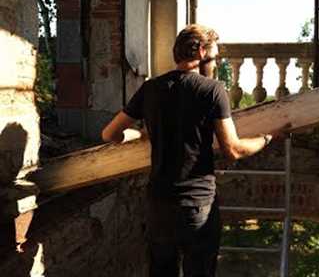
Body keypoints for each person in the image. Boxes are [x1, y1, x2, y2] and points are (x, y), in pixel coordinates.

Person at [101, 24, 284, 277]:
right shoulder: (212, 90)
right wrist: (267, 138)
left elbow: (109, 134)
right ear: (200, 52)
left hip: (158, 205)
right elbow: (233, 149)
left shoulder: (150, 88)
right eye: (214, 58)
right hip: (195, 206)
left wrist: (143, 134)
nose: (215, 65)